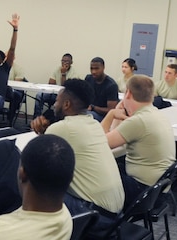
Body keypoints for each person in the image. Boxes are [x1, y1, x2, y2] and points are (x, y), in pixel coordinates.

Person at [31, 78, 124, 228]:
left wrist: (44, 133)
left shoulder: (62, 128)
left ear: (67, 104)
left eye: (57, 101)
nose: (54, 104)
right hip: (116, 213)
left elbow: (35, 159)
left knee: (34, 188)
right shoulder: (93, 123)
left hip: (94, 214)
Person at [102, 75, 175, 206]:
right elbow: (115, 135)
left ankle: (103, 219)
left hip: (142, 191)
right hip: (159, 188)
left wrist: (111, 114)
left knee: (97, 172)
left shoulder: (138, 121)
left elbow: (100, 144)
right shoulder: (157, 114)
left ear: (128, 93)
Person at [33, 53, 82, 117]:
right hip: (54, 94)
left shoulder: (74, 73)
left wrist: (63, 74)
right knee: (39, 95)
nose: (64, 63)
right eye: (63, 61)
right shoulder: (58, 69)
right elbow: (50, 82)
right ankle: (36, 117)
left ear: (71, 62)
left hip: (66, 97)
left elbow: (64, 87)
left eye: (67, 61)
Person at [86, 57, 119, 121]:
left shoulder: (111, 85)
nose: (93, 71)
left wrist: (93, 107)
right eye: (91, 68)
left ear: (103, 68)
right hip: (89, 111)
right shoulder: (88, 78)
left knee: (87, 116)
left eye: (97, 68)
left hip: (103, 116)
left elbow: (111, 110)